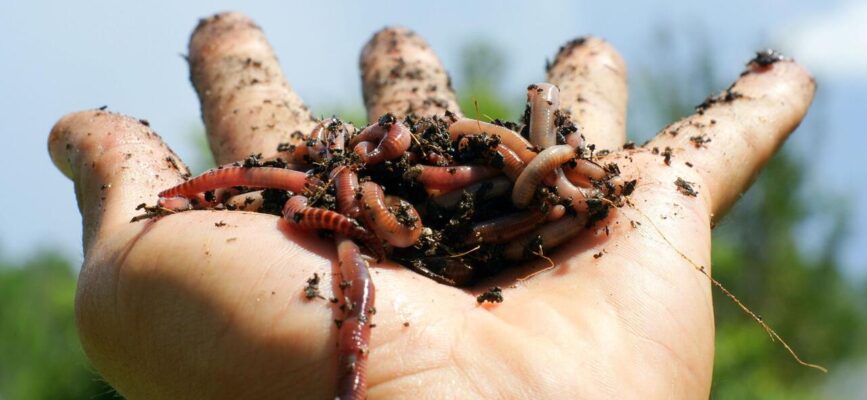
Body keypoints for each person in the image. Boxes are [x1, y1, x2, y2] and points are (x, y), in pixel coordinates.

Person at [47, 12, 815, 399]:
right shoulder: (352, 198)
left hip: (455, 213)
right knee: (332, 202)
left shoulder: (553, 189)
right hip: (368, 208)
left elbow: (524, 181)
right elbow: (348, 203)